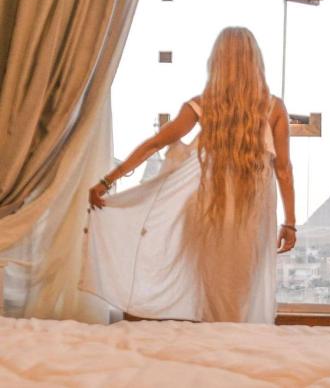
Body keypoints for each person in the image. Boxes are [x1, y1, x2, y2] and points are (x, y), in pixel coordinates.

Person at [82, 26, 296, 323]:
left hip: (208, 210)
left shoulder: (202, 105)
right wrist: (290, 223)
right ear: (255, 61)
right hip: (251, 214)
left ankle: (215, 340)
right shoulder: (273, 108)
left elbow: (154, 144)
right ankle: (230, 343)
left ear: (217, 61)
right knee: (239, 292)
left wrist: (108, 181)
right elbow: (283, 170)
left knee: (212, 290)